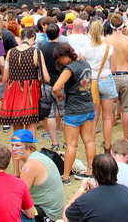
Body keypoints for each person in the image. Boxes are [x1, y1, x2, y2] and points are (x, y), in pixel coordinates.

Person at [52, 43, 96, 183]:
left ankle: (65, 177)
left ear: (65, 55)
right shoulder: (85, 64)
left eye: (60, 59)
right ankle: (90, 171)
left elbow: (56, 87)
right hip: (88, 107)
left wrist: (60, 95)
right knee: (89, 141)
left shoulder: (70, 68)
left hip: (74, 109)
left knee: (71, 144)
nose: (60, 62)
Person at [0, 28, 49, 134]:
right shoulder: (36, 52)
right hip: (31, 91)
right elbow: (46, 77)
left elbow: (5, 78)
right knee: (31, 126)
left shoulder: (11, 52)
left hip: (13, 91)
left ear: (21, 38)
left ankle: (18, 144)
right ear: (33, 37)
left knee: (17, 128)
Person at [63, 154, 128, 222]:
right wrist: (93, 191)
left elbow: (65, 216)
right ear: (116, 171)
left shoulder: (87, 199)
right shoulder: (125, 190)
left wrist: (81, 190)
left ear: (94, 173)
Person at [78, 21, 116, 153]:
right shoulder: (109, 48)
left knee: (93, 117)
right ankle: (107, 146)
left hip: (91, 82)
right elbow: (114, 69)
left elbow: (82, 70)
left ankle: (91, 146)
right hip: (106, 80)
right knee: (107, 117)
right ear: (102, 32)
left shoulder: (84, 50)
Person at [11, 129, 65, 221]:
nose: (13, 149)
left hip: (47, 213)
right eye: (12, 145)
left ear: (28, 146)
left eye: (18, 145)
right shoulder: (37, 157)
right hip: (53, 210)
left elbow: (20, 196)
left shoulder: (29, 166)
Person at [106, 13, 128, 140]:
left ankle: (107, 141)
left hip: (110, 77)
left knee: (108, 112)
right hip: (125, 75)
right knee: (126, 110)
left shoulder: (105, 41)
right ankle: (126, 138)